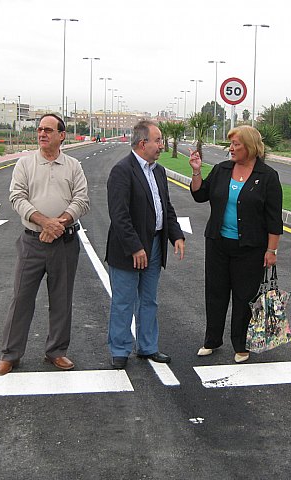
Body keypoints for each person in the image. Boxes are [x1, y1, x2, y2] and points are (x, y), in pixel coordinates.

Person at [0, 114, 90, 375]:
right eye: (39, 130)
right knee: (21, 298)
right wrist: (44, 222)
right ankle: (10, 354)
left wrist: (59, 223)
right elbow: (17, 198)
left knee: (62, 299)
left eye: (48, 130)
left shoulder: (73, 166)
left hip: (65, 242)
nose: (42, 134)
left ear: (61, 135)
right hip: (32, 243)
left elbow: (82, 199)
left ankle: (56, 352)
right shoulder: (25, 164)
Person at [189, 125, 283, 363]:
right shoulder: (222, 170)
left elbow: (274, 218)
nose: (230, 148)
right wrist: (196, 172)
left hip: (250, 248)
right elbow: (200, 195)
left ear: (249, 147)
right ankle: (212, 340)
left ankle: (241, 345)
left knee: (244, 298)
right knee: (215, 293)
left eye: (236, 144)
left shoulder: (267, 177)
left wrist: (271, 250)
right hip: (218, 243)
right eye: (230, 144)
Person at [105, 120, 185, 369]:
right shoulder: (122, 171)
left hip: (155, 246)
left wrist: (177, 235)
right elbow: (119, 215)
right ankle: (119, 350)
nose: (161, 145)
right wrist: (135, 247)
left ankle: (148, 347)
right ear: (143, 143)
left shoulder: (158, 171)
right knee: (123, 301)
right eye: (158, 140)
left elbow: (165, 208)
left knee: (149, 300)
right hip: (129, 250)